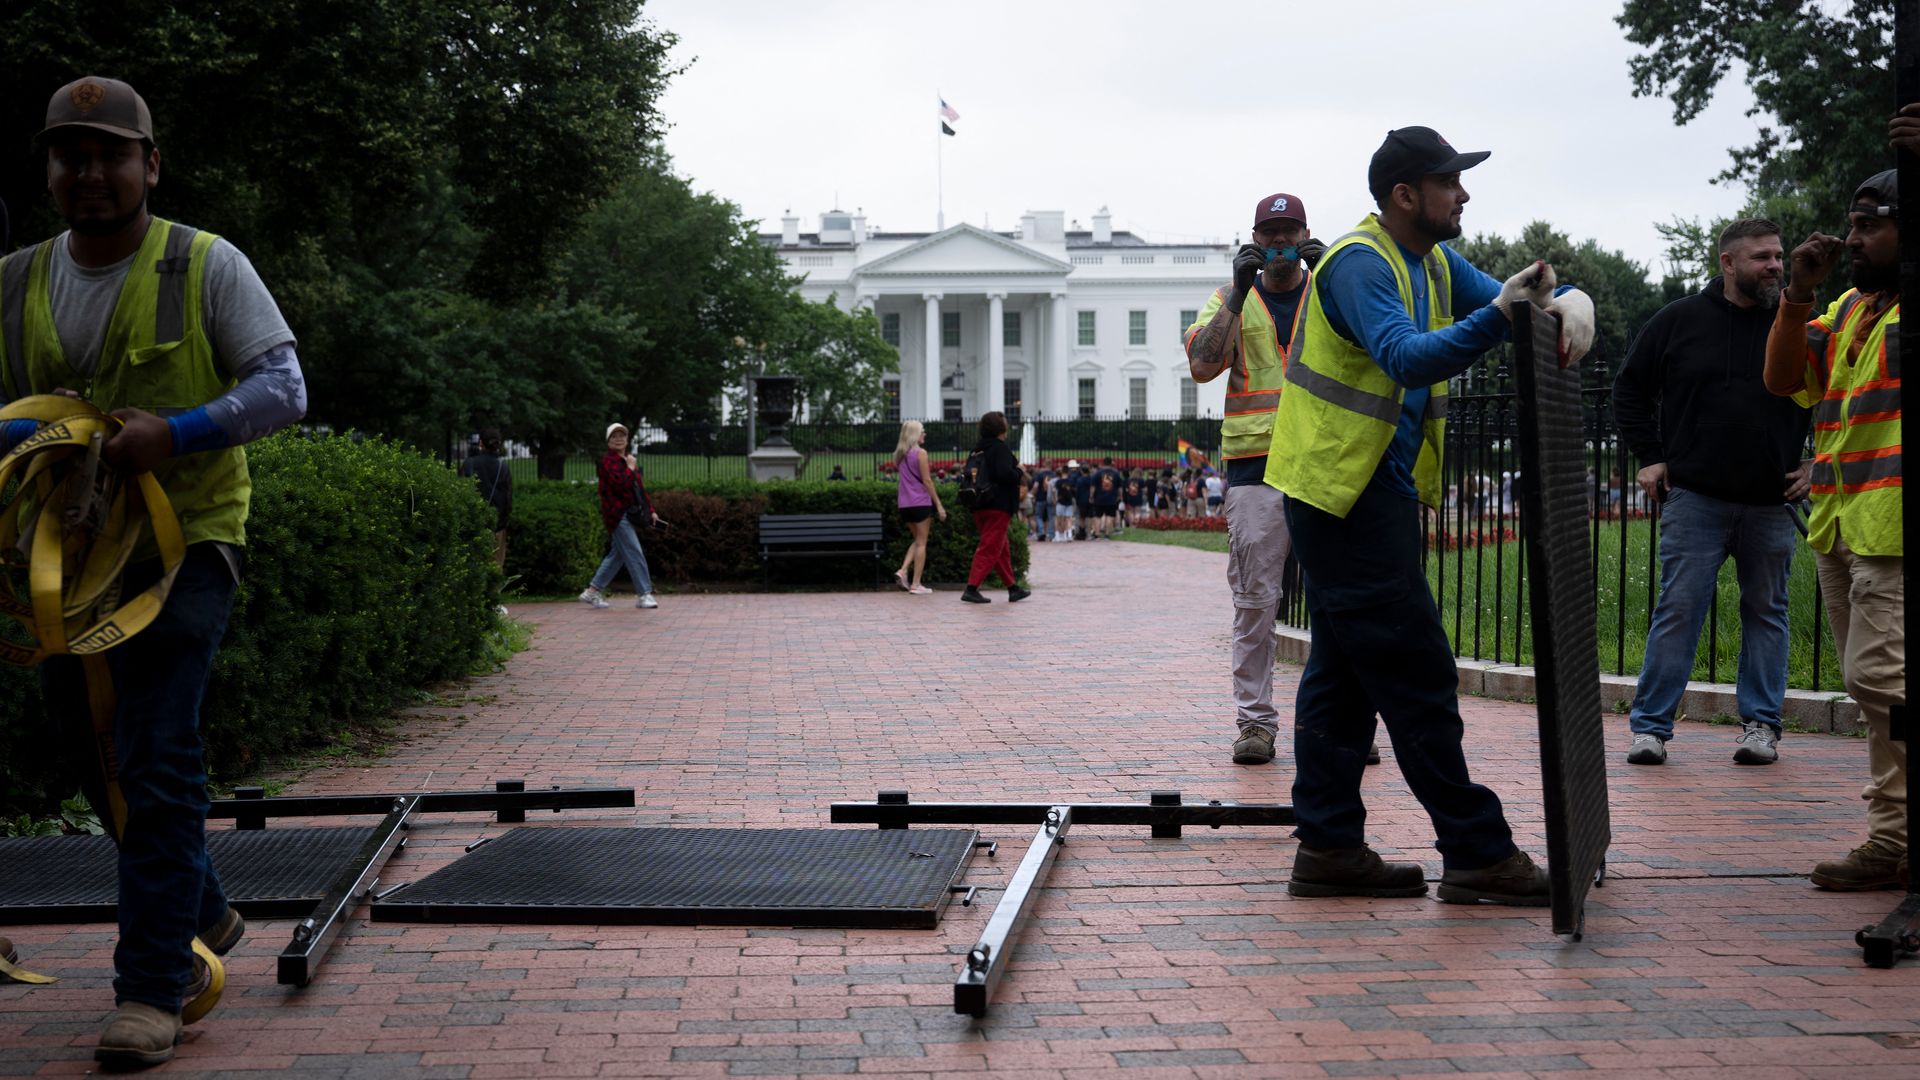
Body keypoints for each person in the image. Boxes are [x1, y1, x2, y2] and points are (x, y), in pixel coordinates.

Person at [0, 76, 308, 1067]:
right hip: (69, 558)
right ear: (50, 171)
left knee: (155, 748)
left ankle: (153, 987)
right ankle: (204, 906)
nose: (89, 174)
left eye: (109, 154)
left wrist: (174, 433)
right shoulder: (12, 282)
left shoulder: (205, 264)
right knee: (92, 750)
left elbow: (283, 387)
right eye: (69, 156)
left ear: (150, 165)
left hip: (191, 542)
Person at [1264, 125, 1595, 905]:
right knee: (1417, 672)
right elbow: (1407, 355)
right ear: (1406, 195)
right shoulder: (1358, 264)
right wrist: (1506, 315)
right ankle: (1477, 850)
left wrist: (1565, 295)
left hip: (1362, 490)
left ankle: (1329, 846)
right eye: (1451, 182)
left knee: (1342, 679)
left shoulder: (1434, 259)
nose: (1465, 194)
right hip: (1341, 496)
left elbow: (1514, 295)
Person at [1612, 218, 1811, 768]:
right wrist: (1650, 457)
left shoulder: (1796, 324)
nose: (1775, 265)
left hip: (1773, 500)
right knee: (1678, 608)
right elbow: (1628, 389)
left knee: (1767, 611)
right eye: (1761, 258)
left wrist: (1817, 463)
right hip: (1695, 496)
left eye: (1778, 255)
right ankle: (1651, 729)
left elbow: (1840, 395)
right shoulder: (1679, 321)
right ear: (1727, 263)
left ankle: (1761, 727)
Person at [1764, 164, 1904, 891]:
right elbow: (1784, 379)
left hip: (1895, 531)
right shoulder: (1851, 307)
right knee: (1881, 694)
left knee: (1881, 679)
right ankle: (1892, 841)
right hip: (1845, 525)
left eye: (1870, 224)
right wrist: (1797, 293)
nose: (1852, 238)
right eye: (1852, 224)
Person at [1184, 191, 1325, 765]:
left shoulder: (1330, 290)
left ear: (1306, 234)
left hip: (1323, 464)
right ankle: (1255, 724)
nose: (1281, 243)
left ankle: (1346, 724)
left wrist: (1329, 274)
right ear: (1253, 240)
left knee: (1337, 601)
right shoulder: (1227, 299)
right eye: (1271, 233)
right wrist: (1240, 294)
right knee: (1254, 603)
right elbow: (1201, 365)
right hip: (1255, 470)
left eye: (1291, 232)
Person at [578, 422, 660, 609]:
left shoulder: (628, 460)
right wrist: (630, 468)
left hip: (630, 514)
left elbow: (638, 489)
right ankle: (644, 594)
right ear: (608, 441)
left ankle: (592, 591)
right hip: (616, 515)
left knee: (618, 554)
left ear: (627, 439)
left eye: (622, 436)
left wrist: (651, 510)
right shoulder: (607, 462)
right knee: (633, 551)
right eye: (614, 436)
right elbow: (620, 484)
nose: (619, 439)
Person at [961, 411, 1029, 603]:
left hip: (979, 503)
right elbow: (1004, 475)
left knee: (1000, 547)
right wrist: (1018, 471)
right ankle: (971, 588)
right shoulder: (999, 448)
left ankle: (1013, 588)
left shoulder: (977, 449)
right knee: (990, 547)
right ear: (1001, 427)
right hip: (998, 504)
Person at [891, 420, 946, 594]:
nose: (924, 434)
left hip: (904, 504)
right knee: (922, 543)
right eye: (922, 431)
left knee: (917, 540)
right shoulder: (920, 453)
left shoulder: (899, 455)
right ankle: (916, 584)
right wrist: (939, 504)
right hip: (920, 502)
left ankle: (903, 570)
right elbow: (927, 481)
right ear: (915, 434)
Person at [460, 427, 514, 571]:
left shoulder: (469, 464)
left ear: (481, 443)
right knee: (494, 569)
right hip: (497, 526)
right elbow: (508, 500)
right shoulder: (504, 467)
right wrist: (502, 524)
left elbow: (461, 495)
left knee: (472, 570)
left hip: (473, 526)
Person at [1092, 456, 1122, 537]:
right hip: (1111, 498)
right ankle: (1107, 534)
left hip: (1099, 497)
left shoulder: (1098, 473)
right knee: (1109, 515)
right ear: (1111, 462)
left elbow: (1093, 486)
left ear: (1103, 462)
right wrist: (1120, 496)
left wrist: (1091, 496)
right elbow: (1119, 487)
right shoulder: (1116, 473)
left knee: (1098, 516)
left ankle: (1097, 534)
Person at [1053, 465, 1077, 541]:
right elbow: (1074, 491)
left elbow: (1054, 491)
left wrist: (1055, 499)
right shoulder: (1071, 481)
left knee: (1058, 519)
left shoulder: (1058, 481)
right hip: (1069, 502)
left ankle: (1058, 535)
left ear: (1062, 472)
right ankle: (1069, 535)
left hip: (1060, 501)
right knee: (1069, 519)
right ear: (1068, 472)